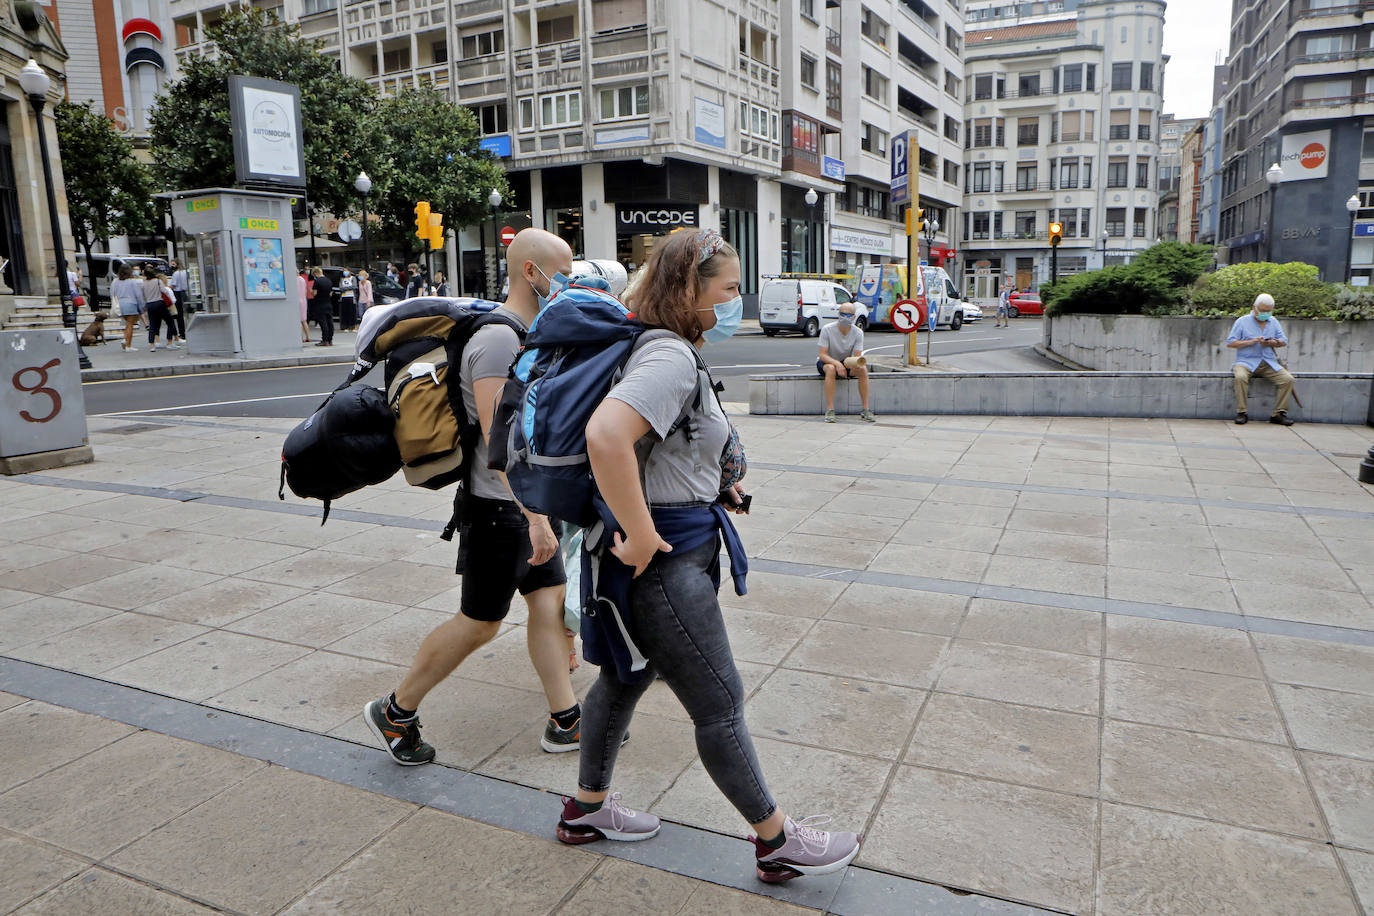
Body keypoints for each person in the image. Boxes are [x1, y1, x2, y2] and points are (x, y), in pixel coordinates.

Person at [554, 228, 860, 885]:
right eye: (727, 289)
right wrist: (639, 533)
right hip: (663, 560)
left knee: (625, 679)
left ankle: (585, 809)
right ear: (689, 290)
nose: (736, 301)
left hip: (666, 543)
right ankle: (776, 840)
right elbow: (607, 436)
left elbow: (663, 445)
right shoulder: (667, 357)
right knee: (720, 700)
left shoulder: (665, 349)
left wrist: (718, 483)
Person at [364, 227, 589, 766]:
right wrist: (534, 517)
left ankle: (565, 720)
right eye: (563, 272)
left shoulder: (527, 332)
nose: (570, 281)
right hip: (501, 510)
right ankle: (396, 710)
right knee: (480, 623)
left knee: (548, 603)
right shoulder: (499, 340)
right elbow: (499, 436)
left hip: (528, 506)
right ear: (531, 273)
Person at [1227, 292, 1295, 426]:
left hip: (1268, 362)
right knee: (1240, 377)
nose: (1266, 314)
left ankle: (1279, 414)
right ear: (1254, 308)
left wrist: (1273, 342)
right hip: (1245, 361)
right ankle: (1242, 412)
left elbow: (1284, 341)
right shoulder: (1242, 321)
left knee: (1287, 379)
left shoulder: (1273, 321)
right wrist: (1251, 341)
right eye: (1263, 311)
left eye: (1268, 311)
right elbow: (1230, 343)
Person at [817, 303, 874, 424]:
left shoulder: (858, 332)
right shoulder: (827, 329)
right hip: (827, 361)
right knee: (831, 369)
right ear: (838, 314)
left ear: (853, 317)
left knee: (863, 369)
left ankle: (865, 408)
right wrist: (837, 364)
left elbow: (857, 357)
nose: (845, 317)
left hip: (846, 362)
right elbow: (822, 354)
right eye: (842, 314)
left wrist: (850, 365)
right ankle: (830, 409)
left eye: (848, 315)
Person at [110, 263, 144, 351]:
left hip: (120, 304)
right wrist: (142, 306)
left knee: (127, 324)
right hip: (131, 303)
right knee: (130, 325)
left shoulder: (115, 281)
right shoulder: (132, 281)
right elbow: (138, 295)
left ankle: (125, 340)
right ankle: (128, 344)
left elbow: (112, 294)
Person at [141, 265, 173, 351]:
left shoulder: (143, 284)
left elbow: (143, 296)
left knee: (152, 325)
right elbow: (164, 291)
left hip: (150, 304)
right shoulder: (158, 281)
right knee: (170, 321)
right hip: (159, 303)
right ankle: (169, 342)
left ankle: (152, 345)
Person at [156, 273, 182, 349]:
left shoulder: (156, 289)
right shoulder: (167, 289)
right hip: (168, 307)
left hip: (158, 307)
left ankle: (157, 341)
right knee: (171, 323)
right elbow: (173, 299)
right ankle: (170, 341)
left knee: (156, 324)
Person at [309, 266, 334, 346]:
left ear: (316, 273)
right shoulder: (329, 280)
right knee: (330, 322)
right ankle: (330, 340)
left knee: (323, 323)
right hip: (328, 303)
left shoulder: (317, 281)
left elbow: (314, 293)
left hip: (320, 304)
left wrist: (311, 291)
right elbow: (330, 293)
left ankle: (325, 340)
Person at [169, 259, 190, 340]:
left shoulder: (176, 273)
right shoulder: (185, 272)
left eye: (173, 264)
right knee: (185, 313)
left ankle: (182, 333)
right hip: (184, 293)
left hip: (177, 293)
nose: (172, 266)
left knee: (179, 315)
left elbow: (173, 285)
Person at [297, 268, 311, 343]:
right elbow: (305, 291)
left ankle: (300, 337)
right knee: (304, 320)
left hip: (297, 301)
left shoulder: (294, 280)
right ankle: (308, 336)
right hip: (303, 301)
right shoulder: (302, 280)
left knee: (298, 321)